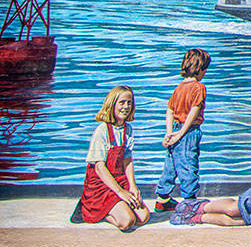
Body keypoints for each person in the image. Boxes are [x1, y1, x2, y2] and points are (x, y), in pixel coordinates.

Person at [79, 86, 151, 231]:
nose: (126, 107)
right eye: (122, 102)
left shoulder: (128, 129)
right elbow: (99, 167)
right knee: (127, 221)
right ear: (112, 104)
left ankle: (118, 207)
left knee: (143, 217)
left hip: (119, 180)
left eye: (129, 103)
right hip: (100, 185)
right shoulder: (102, 130)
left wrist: (132, 186)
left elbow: (127, 160)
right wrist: (120, 192)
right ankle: (103, 214)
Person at [155, 48, 209, 212]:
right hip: (188, 131)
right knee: (188, 164)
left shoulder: (179, 87)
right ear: (199, 69)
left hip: (176, 129)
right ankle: (190, 202)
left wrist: (169, 132)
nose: (205, 73)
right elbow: (194, 110)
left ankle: (162, 198)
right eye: (205, 69)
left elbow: (170, 110)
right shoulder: (198, 87)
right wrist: (181, 133)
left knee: (171, 165)